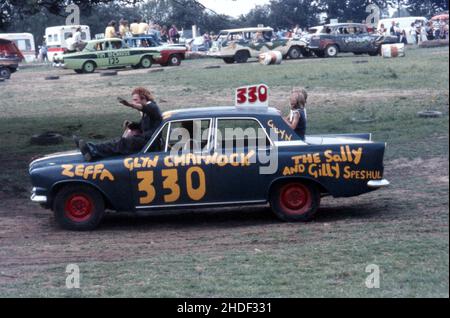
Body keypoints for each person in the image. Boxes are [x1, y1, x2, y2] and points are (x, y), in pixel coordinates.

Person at [75, 87, 163, 161]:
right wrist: (131, 124)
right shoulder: (147, 112)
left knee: (120, 143)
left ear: (144, 98)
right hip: (145, 140)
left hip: (149, 143)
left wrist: (130, 104)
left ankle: (91, 150)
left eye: (136, 100)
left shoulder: (152, 107)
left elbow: (144, 107)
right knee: (117, 142)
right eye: (133, 100)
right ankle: (91, 149)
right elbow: (142, 126)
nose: (134, 102)